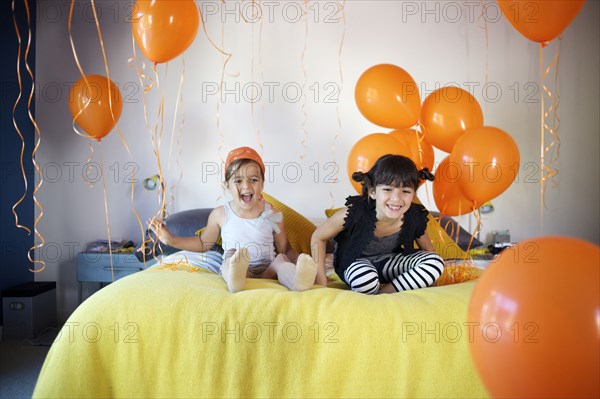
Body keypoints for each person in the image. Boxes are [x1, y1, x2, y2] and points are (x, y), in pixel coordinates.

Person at [149, 146, 318, 293]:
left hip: (268, 271)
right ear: (227, 186)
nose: (246, 186)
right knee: (230, 257)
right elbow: (203, 243)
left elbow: (285, 249)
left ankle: (298, 281)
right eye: (238, 180)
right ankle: (235, 280)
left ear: (262, 185)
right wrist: (171, 240)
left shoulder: (272, 213)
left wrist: (300, 263)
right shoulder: (221, 214)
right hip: (242, 269)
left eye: (253, 180)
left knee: (281, 261)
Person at [311, 154, 444, 294]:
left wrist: (430, 281)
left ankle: (384, 294)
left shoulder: (414, 216)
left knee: (435, 262)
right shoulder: (353, 214)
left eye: (405, 191)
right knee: (365, 280)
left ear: (413, 195)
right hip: (355, 262)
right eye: (387, 189)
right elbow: (318, 237)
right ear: (373, 192)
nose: (396, 199)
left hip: (389, 263)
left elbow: (428, 249)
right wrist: (321, 283)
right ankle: (372, 288)